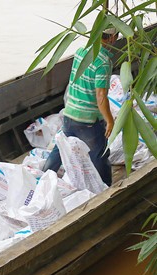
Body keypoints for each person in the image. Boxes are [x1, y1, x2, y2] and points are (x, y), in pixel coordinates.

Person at [43, 28, 118, 186]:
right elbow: (101, 97)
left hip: (70, 113)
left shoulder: (81, 51)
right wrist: (110, 121)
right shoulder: (103, 62)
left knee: (60, 148)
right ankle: (107, 189)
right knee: (99, 154)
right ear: (112, 38)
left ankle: (43, 175)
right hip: (88, 120)